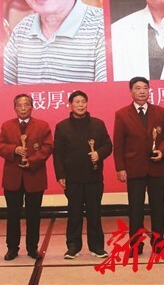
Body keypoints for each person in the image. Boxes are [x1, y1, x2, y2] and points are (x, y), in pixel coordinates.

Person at [113, 76, 164, 255]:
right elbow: (118, 144)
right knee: (135, 209)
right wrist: (120, 168)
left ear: (149, 90)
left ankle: (158, 244)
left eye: (145, 88)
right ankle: (135, 245)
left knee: (158, 208)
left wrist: (162, 151)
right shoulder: (122, 114)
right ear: (131, 91)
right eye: (138, 88)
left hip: (157, 167)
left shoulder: (160, 112)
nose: (142, 91)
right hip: (134, 169)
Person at [53, 90, 113, 259]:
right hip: (72, 178)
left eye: (83, 101)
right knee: (74, 214)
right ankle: (73, 246)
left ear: (87, 103)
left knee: (95, 213)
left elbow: (108, 145)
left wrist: (99, 154)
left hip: (93, 177)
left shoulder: (98, 124)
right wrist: (60, 175)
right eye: (77, 102)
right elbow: (57, 154)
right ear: (70, 105)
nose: (80, 105)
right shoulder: (62, 126)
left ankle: (97, 246)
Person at [0, 94, 53, 260]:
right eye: (19, 105)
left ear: (32, 107)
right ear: (14, 108)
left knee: (34, 215)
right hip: (12, 178)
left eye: (26, 105)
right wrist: (14, 149)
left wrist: (31, 161)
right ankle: (12, 248)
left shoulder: (42, 126)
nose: (23, 108)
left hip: (35, 176)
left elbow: (48, 147)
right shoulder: (7, 126)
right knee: (12, 215)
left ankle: (32, 248)